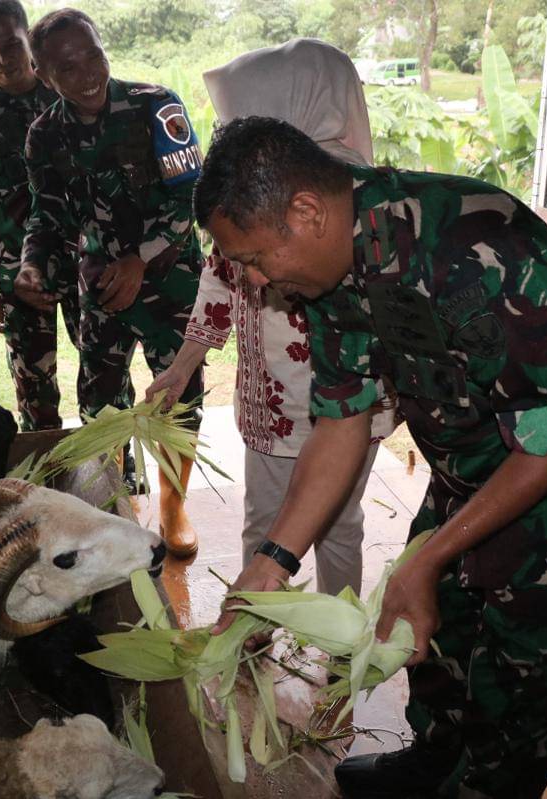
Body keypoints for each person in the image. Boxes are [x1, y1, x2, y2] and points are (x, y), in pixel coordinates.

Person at [196, 117, 547, 798]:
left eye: (258, 259)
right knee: (430, 624)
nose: (258, 282)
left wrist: (436, 551)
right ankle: (434, 758)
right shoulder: (327, 271)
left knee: (523, 665)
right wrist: (272, 562)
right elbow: (342, 419)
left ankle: (488, 784)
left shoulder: (478, 246)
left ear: (306, 212)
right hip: (476, 461)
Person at [145, 39, 395, 597]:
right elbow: (218, 275)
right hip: (268, 396)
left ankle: (337, 640)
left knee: (337, 525)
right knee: (264, 523)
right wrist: (183, 366)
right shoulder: (248, 192)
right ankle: (254, 629)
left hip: (345, 398)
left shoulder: (351, 199)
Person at [15, 9, 205, 557]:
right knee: (100, 400)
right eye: (66, 68)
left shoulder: (156, 105)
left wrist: (141, 257)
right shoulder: (44, 134)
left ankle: (172, 506)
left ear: (104, 48)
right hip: (100, 291)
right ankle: (113, 512)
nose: (86, 74)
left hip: (171, 281)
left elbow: (189, 196)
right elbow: (46, 216)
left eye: (92, 55)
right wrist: (32, 265)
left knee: (178, 394)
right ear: (44, 74)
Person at [0, 0, 79, 433]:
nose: (3, 59)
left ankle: (118, 475)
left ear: (29, 39)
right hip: (18, 277)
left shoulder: (67, 92)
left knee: (106, 378)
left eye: (12, 45)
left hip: (85, 260)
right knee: (35, 392)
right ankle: (46, 480)